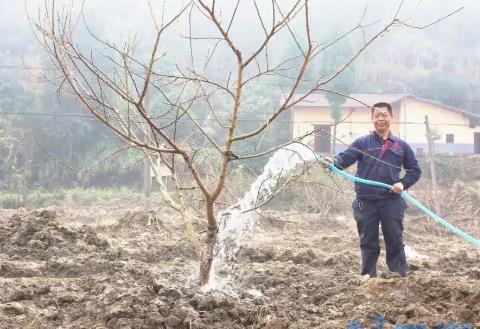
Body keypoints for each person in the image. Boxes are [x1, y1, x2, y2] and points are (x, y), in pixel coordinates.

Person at [330, 102, 421, 278]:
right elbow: (343, 158)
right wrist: (332, 162)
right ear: (372, 118)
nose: (381, 119)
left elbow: (415, 171)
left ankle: (399, 275)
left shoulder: (401, 145)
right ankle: (368, 277)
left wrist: (402, 184)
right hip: (366, 201)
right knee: (368, 241)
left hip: (391, 201)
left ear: (391, 118)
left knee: (395, 240)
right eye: (377, 115)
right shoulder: (362, 142)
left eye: (384, 115)